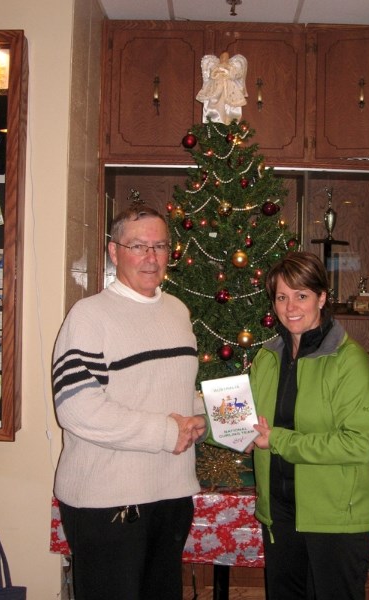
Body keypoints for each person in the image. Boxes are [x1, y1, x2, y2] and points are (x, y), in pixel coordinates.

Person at [52, 205, 207, 600]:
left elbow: (175, 391)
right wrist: (165, 432)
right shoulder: (88, 317)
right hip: (109, 504)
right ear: (113, 251)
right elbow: (77, 407)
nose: (151, 257)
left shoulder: (177, 311)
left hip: (171, 495)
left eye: (160, 246)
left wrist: (208, 413)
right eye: (138, 246)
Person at [249, 251, 369, 600]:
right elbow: (246, 418)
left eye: (302, 295)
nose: (290, 306)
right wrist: (198, 424)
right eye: (281, 296)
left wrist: (278, 441)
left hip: (336, 516)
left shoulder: (351, 363)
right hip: (281, 513)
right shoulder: (268, 358)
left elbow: (356, 444)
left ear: (322, 298)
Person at [196, 51, 248, 125]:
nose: (224, 59)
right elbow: (212, 74)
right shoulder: (217, 66)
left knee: (230, 101)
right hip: (218, 84)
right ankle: (215, 117)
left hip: (229, 86)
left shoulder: (230, 67)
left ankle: (229, 119)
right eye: (222, 57)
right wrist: (218, 74)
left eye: (226, 57)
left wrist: (227, 73)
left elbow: (234, 74)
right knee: (215, 99)